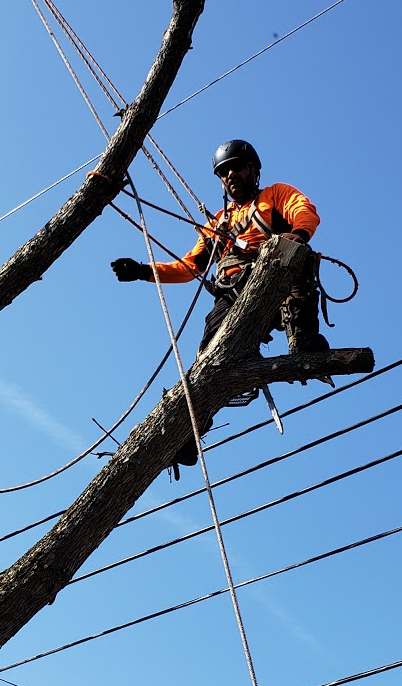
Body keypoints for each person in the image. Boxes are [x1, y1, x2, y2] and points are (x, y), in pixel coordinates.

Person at [111, 139, 329, 469]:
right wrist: (144, 271)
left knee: (294, 261)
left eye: (237, 167)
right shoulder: (219, 223)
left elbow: (303, 210)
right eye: (224, 172)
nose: (230, 175)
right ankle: (188, 432)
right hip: (231, 292)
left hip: (276, 275)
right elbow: (190, 266)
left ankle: (305, 342)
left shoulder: (273, 196)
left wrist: (298, 234)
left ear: (253, 170)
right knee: (208, 357)